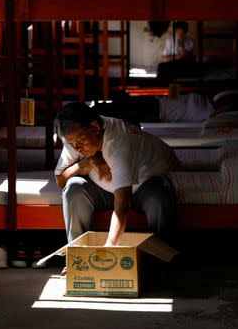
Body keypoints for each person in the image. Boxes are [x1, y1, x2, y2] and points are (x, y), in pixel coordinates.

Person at [54, 103, 179, 264]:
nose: (77, 148)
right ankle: (77, 258)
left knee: (160, 197)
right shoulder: (75, 137)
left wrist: (109, 250)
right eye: (72, 144)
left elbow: (123, 203)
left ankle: (159, 260)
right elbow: (60, 180)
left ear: (95, 127)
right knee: (73, 189)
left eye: (81, 142)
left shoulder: (121, 141)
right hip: (105, 190)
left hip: (143, 186)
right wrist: (87, 162)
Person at [97, 90, 238, 127]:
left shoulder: (208, 113)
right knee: (119, 104)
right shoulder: (207, 102)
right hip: (156, 103)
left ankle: (98, 111)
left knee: (119, 109)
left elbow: (227, 107)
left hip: (157, 110)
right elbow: (224, 98)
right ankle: (98, 110)